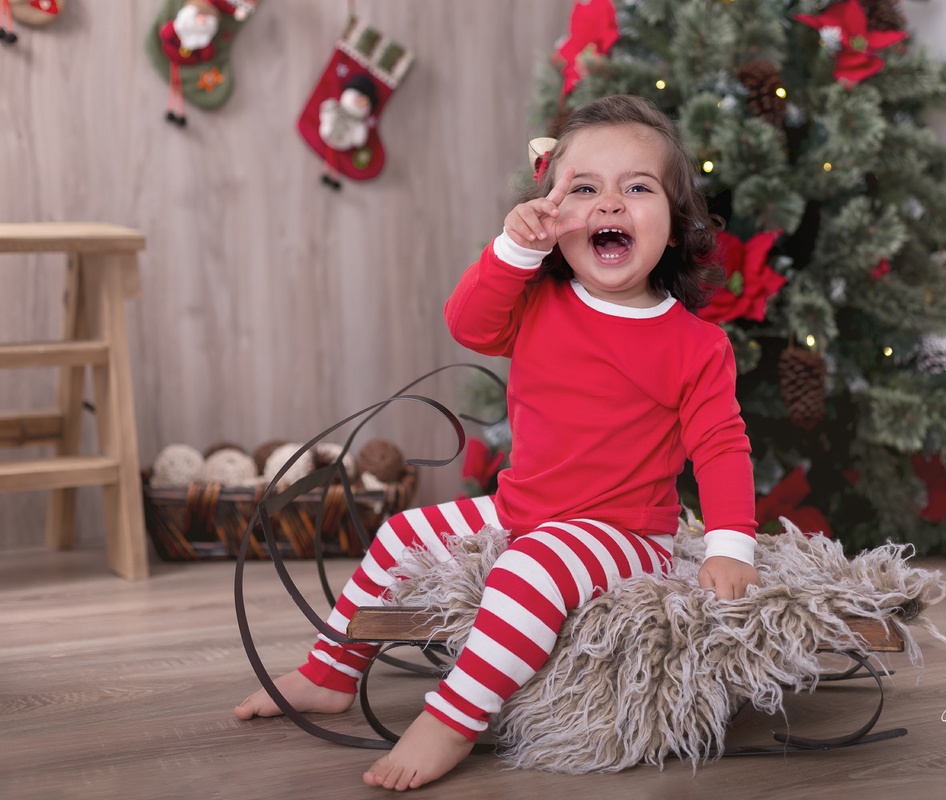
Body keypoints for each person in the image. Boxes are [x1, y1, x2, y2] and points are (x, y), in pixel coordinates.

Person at [235, 94, 762, 791]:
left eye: (636, 188)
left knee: (527, 569)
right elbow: (467, 322)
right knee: (400, 534)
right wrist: (514, 249)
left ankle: (452, 720)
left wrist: (730, 548)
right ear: (553, 217)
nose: (609, 203)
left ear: (674, 228)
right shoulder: (538, 302)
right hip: (525, 507)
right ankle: (329, 672)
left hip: (622, 532)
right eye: (583, 188)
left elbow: (722, 445)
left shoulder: (694, 345)